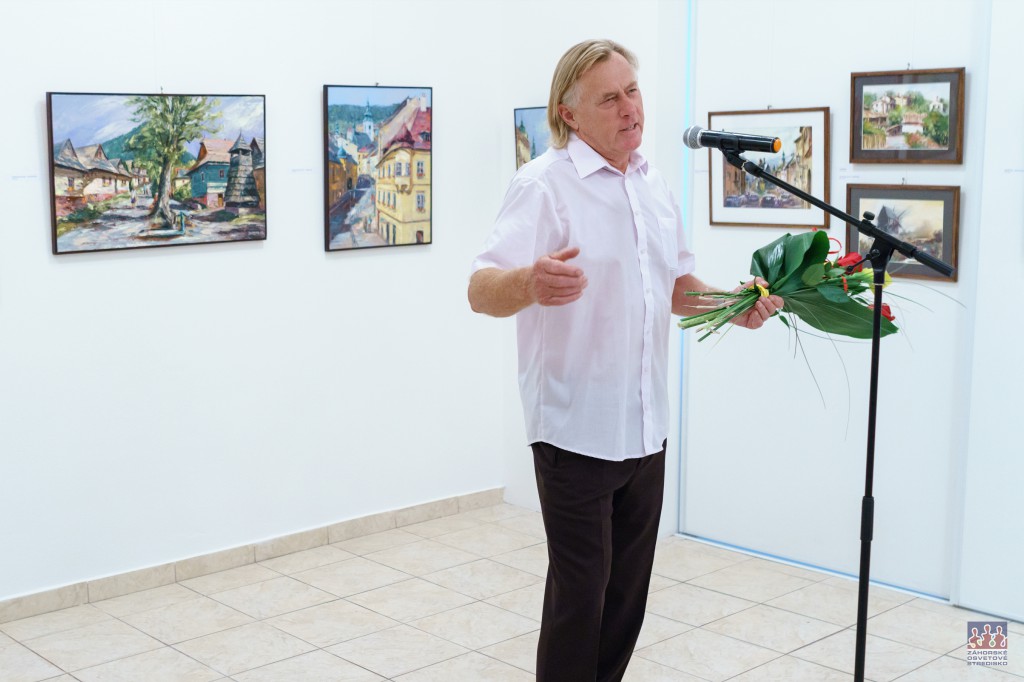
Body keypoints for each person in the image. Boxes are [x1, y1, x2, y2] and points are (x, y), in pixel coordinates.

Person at [468, 39, 782, 682]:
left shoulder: (652, 183)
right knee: (579, 602)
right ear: (569, 114)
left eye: (632, 91)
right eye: (609, 98)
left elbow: (676, 287)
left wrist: (734, 306)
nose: (629, 108)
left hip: (645, 429)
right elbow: (480, 289)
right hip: (574, 432)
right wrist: (529, 282)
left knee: (624, 603)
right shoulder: (542, 185)